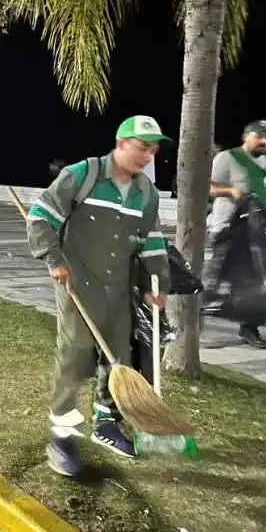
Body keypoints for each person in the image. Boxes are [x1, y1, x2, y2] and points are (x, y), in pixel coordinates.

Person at [26, 115, 171, 477]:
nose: (148, 156)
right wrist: (53, 258)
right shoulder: (83, 175)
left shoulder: (147, 194)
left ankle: (106, 424)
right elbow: (40, 215)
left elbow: (151, 243)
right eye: (142, 147)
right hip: (78, 283)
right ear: (121, 143)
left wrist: (157, 285)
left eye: (153, 150)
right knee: (74, 355)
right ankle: (62, 438)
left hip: (119, 287)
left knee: (117, 356)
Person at [204, 120, 266, 349]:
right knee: (215, 282)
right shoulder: (228, 158)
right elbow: (208, 186)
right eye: (259, 136)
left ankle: (250, 327)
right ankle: (191, 331)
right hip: (229, 228)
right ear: (246, 135)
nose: (263, 141)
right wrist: (230, 190)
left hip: (260, 231)